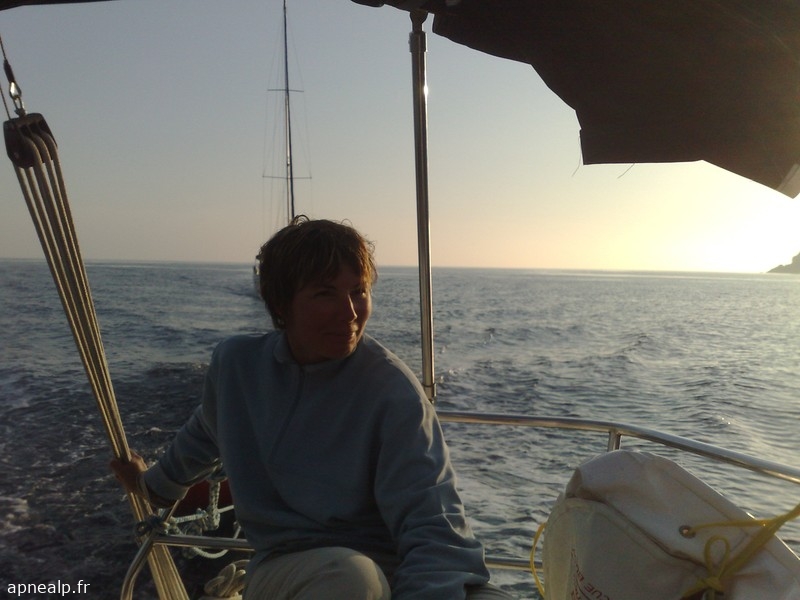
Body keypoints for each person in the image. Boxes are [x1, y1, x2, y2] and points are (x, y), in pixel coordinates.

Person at [111, 216, 513, 599]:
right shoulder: (238, 366)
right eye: (325, 294)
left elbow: (434, 524)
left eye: (359, 291)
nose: (350, 313)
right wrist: (152, 486)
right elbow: (205, 433)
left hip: (398, 567)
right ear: (281, 303)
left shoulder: (392, 391)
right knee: (351, 579)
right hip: (289, 566)